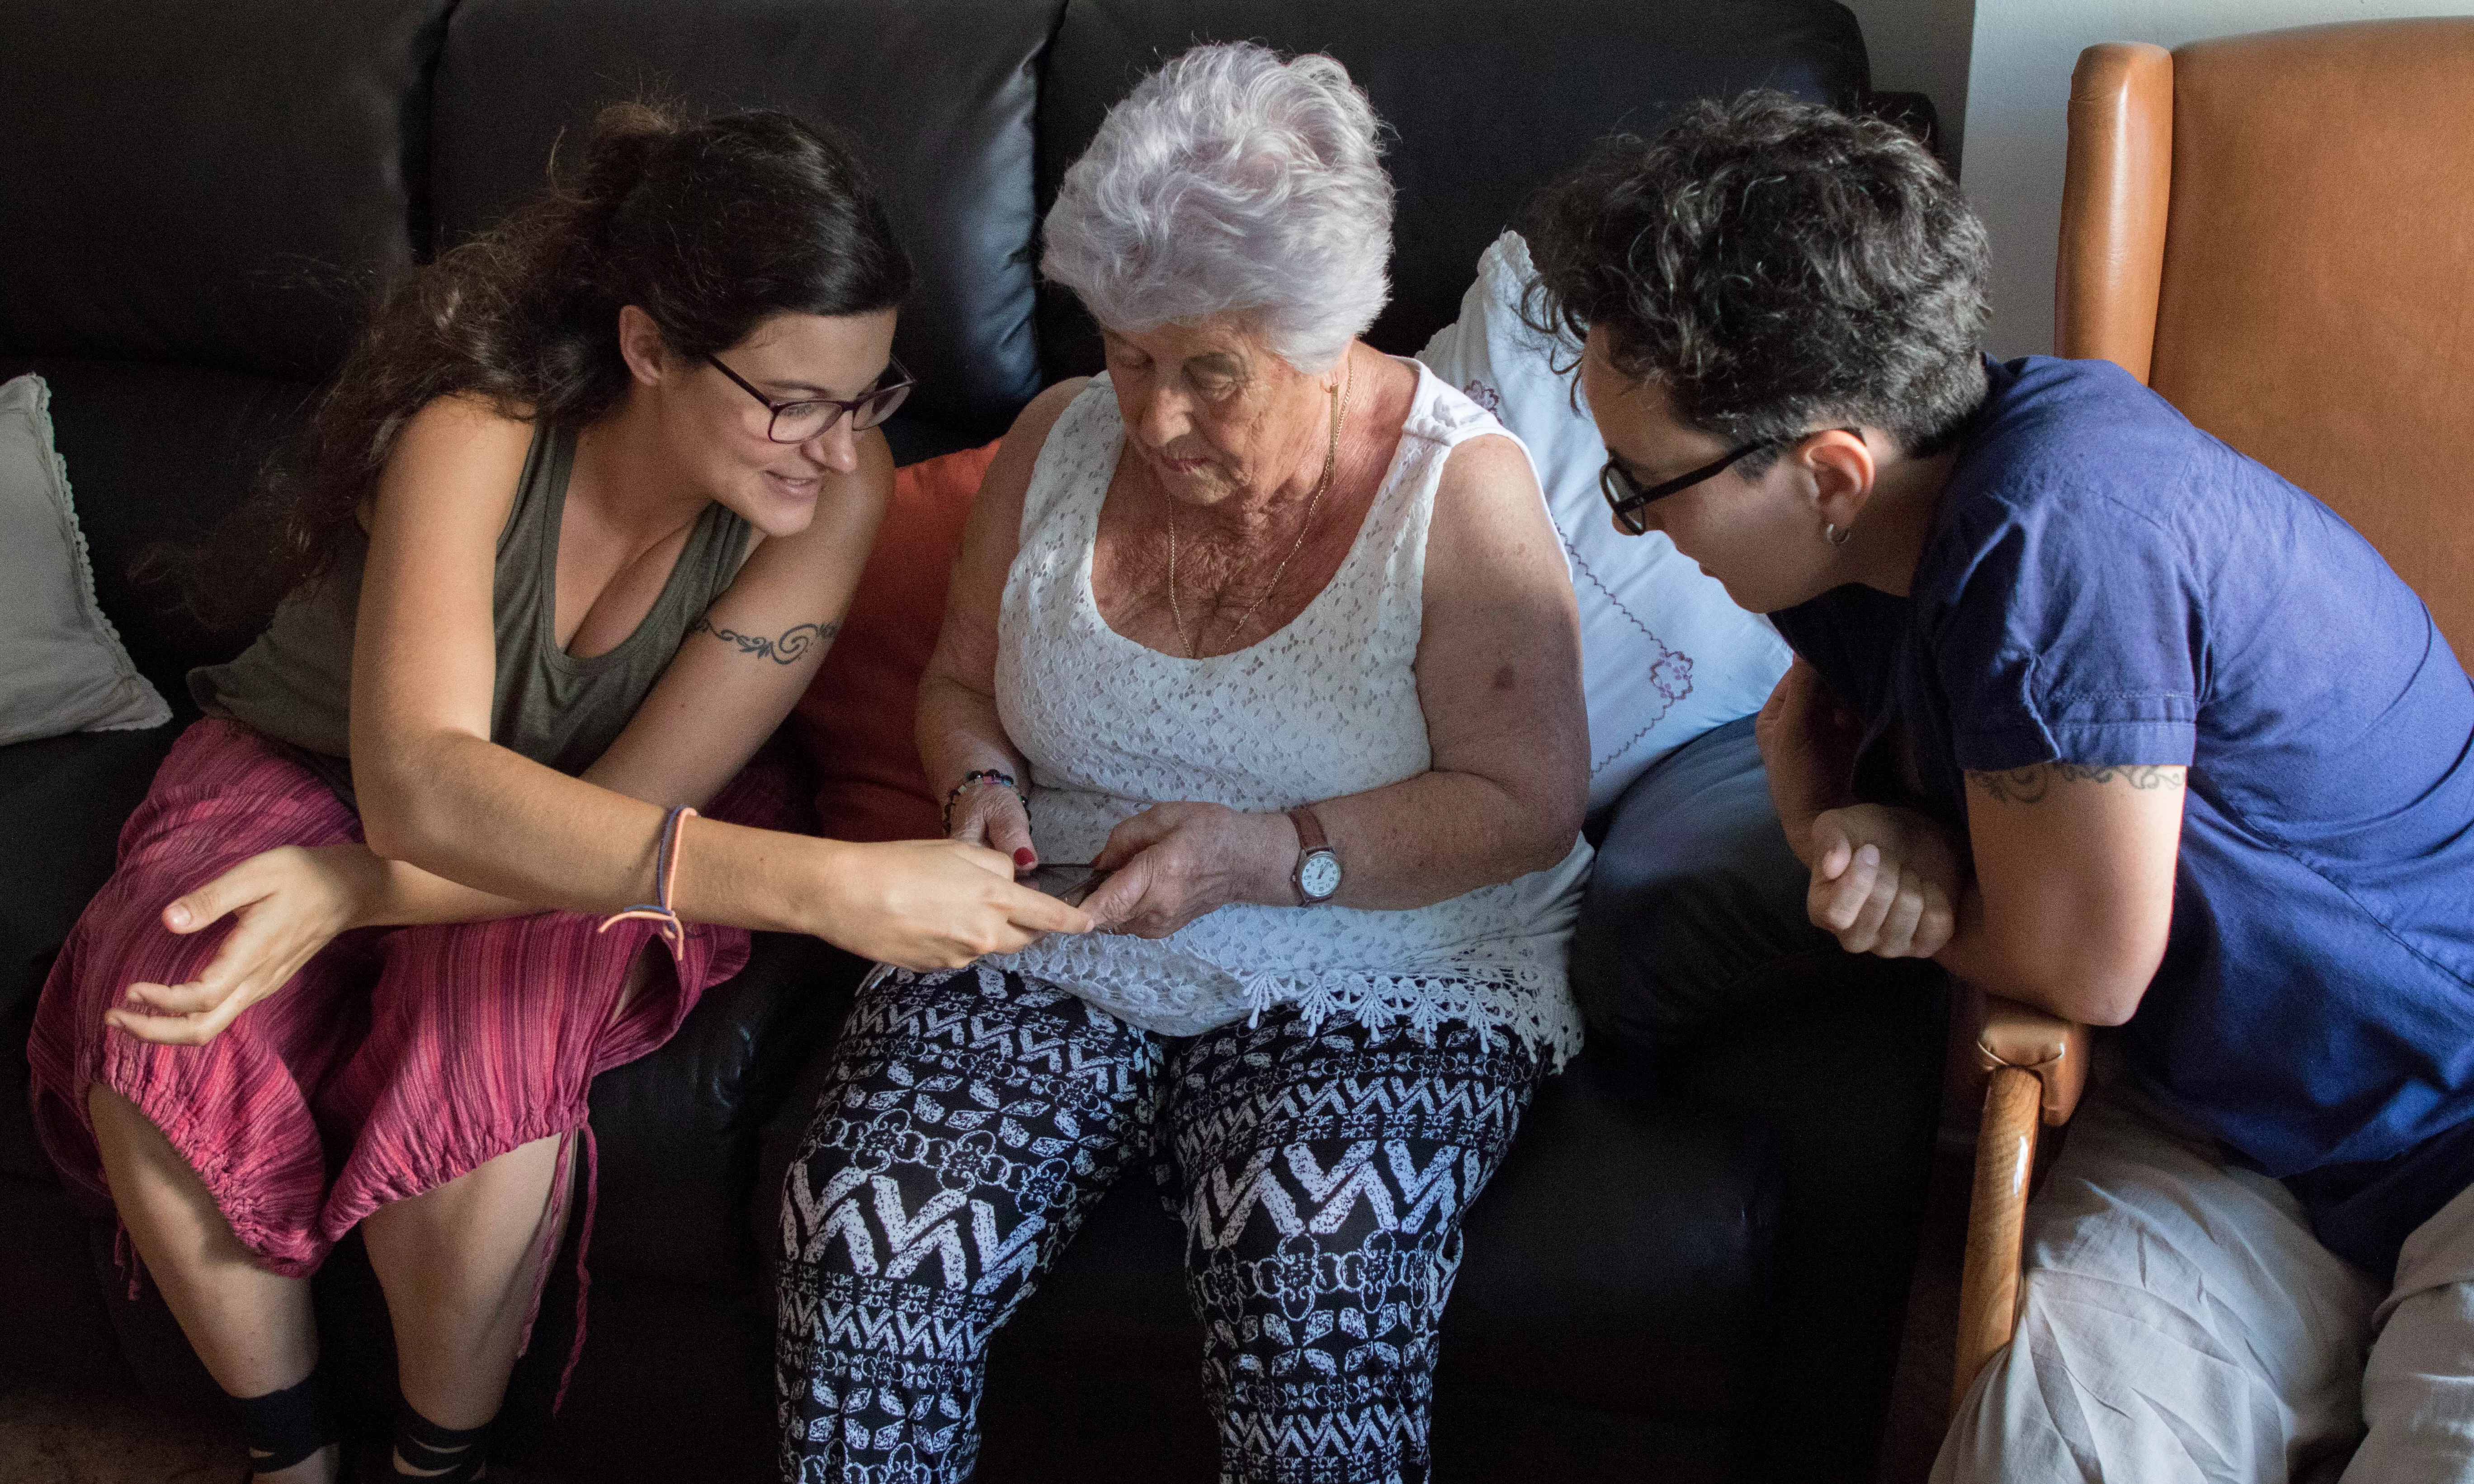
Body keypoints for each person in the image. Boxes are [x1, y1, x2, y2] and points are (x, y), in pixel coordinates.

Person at [26, 104, 1086, 1484]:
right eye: (791, 400)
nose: (832, 446)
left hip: (597, 818)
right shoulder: (478, 434)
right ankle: (286, 1452)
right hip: (318, 760)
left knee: (488, 1049)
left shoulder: (841, 495)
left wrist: (357, 893)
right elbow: (420, 780)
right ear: (649, 347)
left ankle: (435, 1460)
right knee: (168, 993)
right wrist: (826, 885)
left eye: (870, 394)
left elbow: (637, 817)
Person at [1522, 92, 2474, 1482]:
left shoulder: (2060, 539)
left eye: (1644, 486)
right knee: (2044, 1451)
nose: (1635, 524)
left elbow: (2082, 966)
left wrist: (1887, 870)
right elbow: (1808, 722)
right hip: (2233, 1128)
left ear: (1830, 467)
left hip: (2450, 1108)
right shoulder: (1869, 545)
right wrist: (1836, 825)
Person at [770, 42, 1592, 1484]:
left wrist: (1266, 855)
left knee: (1306, 1265)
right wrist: (980, 794)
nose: (1150, 419)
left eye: (1208, 371)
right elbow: (963, 684)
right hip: (1054, 927)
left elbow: (1523, 805)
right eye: (1125, 354)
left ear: (1325, 329)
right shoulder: (1050, 440)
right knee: (863, 1230)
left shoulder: (1459, 492)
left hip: (1376, 950)